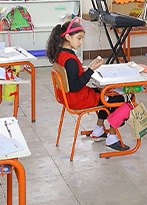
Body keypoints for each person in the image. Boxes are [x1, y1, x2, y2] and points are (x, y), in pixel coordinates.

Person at [46, 18, 130, 151]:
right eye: (79, 38)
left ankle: (98, 130)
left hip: (66, 97)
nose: (81, 42)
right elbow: (75, 86)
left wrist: (86, 69)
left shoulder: (60, 54)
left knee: (103, 93)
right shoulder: (70, 60)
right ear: (67, 37)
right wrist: (91, 69)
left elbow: (71, 77)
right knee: (118, 99)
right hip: (77, 99)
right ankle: (112, 139)